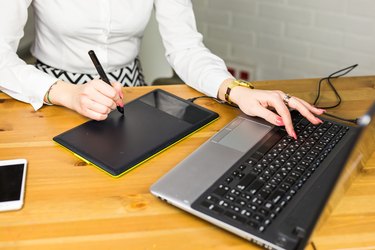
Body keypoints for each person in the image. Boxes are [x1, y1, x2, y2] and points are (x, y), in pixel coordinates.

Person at [0, 0, 324, 140]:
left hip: (130, 93)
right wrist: (67, 94)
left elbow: (185, 47)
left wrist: (234, 90)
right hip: (50, 95)